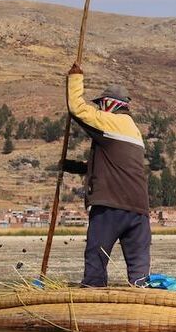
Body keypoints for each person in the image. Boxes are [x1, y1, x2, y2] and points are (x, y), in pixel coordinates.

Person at [61, 62, 151, 287]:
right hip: (139, 209)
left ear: (109, 104)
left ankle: (93, 291)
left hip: (112, 205)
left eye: (101, 105)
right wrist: (72, 166)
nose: (99, 109)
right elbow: (111, 165)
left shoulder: (111, 121)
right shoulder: (133, 130)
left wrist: (75, 78)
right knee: (139, 269)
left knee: (96, 256)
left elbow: (77, 109)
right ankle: (142, 295)